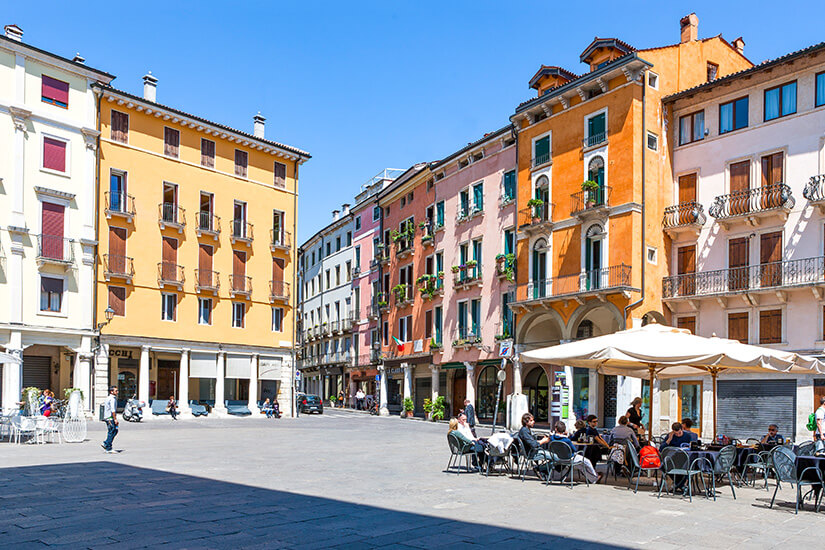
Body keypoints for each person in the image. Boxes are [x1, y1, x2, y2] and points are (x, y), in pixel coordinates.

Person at [101, 386, 119, 452]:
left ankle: (107, 444)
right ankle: (107, 445)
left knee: (113, 431)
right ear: (111, 391)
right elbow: (113, 410)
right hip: (110, 418)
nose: (117, 392)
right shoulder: (112, 399)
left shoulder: (108, 398)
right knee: (113, 431)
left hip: (107, 417)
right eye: (116, 391)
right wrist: (115, 419)